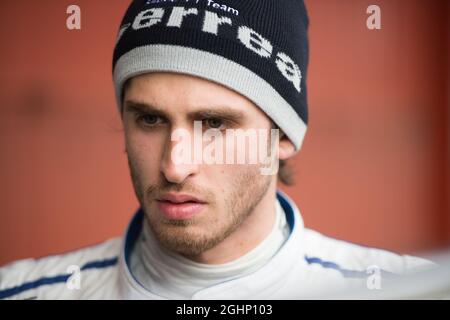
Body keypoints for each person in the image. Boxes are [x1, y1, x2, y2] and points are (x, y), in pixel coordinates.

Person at [0, 0, 433, 300]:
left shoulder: (413, 290)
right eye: (150, 119)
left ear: (282, 135)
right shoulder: (25, 290)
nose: (174, 166)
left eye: (216, 123)